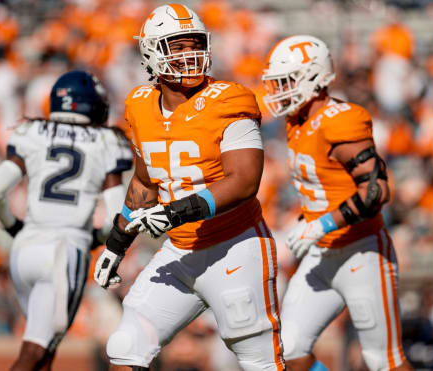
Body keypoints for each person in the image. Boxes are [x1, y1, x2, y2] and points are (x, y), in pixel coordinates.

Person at [93, 4, 284, 371]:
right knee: (125, 345)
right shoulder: (140, 105)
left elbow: (244, 181)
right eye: (176, 46)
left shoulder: (227, 100)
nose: (189, 53)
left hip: (235, 246)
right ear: (151, 51)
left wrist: (175, 212)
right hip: (181, 248)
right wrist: (116, 244)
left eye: (193, 43)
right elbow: (147, 182)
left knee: (260, 363)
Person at [262, 35, 413, 371]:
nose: (278, 90)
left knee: (383, 361)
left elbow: (377, 192)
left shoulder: (340, 120)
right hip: (322, 253)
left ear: (313, 79)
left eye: (286, 81)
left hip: (362, 253)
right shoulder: (296, 121)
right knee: (289, 349)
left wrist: (321, 223)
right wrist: (310, 222)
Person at [0, 70, 133, 371]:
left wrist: (12, 225)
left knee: (44, 351)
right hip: (64, 249)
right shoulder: (106, 140)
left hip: (24, 248)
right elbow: (117, 213)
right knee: (35, 352)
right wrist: (100, 237)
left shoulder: (33, 132)